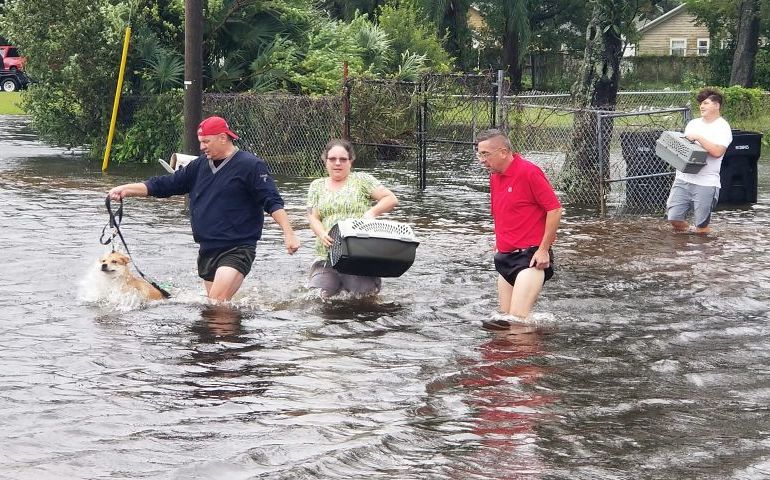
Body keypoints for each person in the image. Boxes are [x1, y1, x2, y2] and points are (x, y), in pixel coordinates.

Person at [108, 115, 300, 302]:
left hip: (237, 248)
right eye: (201, 142)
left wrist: (288, 232)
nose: (202, 147)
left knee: (215, 305)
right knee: (216, 310)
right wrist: (126, 189)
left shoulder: (251, 165)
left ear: (223, 138)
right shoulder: (198, 166)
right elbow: (165, 185)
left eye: (206, 141)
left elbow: (272, 200)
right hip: (207, 249)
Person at [475, 129, 562, 327]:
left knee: (517, 322)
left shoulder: (529, 172)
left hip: (530, 258)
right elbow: (503, 212)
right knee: (504, 322)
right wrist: (499, 244)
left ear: (504, 152)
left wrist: (543, 250)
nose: (481, 160)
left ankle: (532, 356)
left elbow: (555, 210)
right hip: (505, 257)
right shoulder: (495, 176)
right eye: (479, 154)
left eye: (485, 154)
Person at [306, 139, 399, 298]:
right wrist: (321, 233)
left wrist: (372, 213)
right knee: (318, 297)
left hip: (359, 256)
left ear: (350, 162)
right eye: (332, 159)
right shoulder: (316, 186)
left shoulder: (361, 180)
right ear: (325, 161)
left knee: (363, 299)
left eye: (343, 159)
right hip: (326, 256)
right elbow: (313, 217)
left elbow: (391, 199)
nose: (337, 163)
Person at [666, 87, 733, 234]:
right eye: (701, 103)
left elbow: (717, 152)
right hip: (683, 178)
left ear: (717, 105)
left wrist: (699, 138)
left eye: (706, 103)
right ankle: (689, 241)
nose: (702, 106)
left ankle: (703, 252)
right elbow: (684, 149)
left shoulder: (723, 127)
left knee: (701, 227)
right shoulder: (693, 124)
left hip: (706, 182)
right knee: (674, 218)